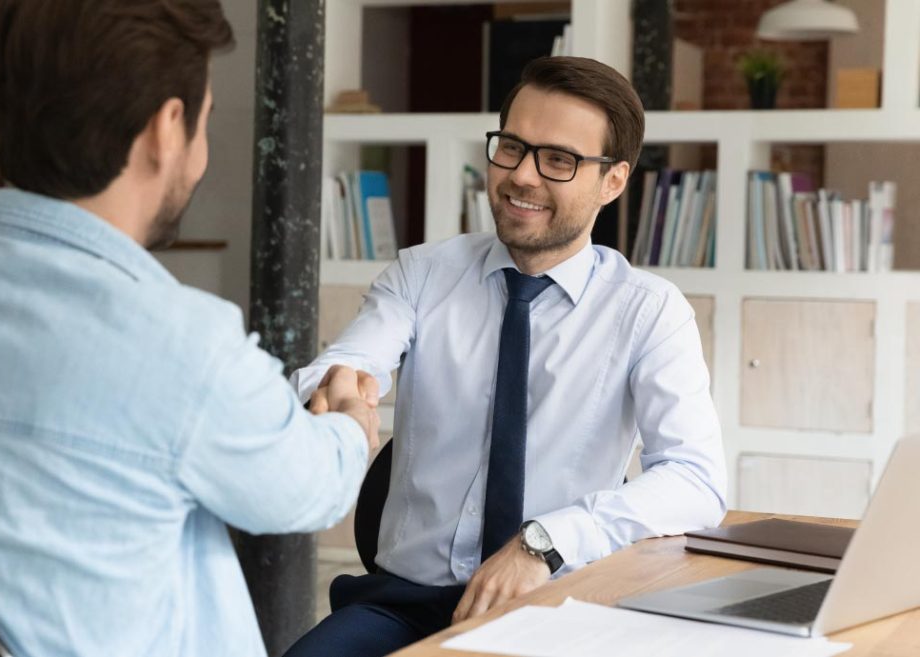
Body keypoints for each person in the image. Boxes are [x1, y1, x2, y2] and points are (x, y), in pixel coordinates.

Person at [0, 1, 378, 656]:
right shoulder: (188, 347)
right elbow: (307, 489)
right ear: (167, 128)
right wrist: (351, 421)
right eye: (204, 122)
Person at [284, 56, 728, 657]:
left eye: (558, 160)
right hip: (403, 604)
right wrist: (338, 387)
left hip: (557, 609)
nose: (522, 176)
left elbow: (696, 479)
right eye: (512, 147)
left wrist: (543, 542)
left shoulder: (648, 311)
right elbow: (352, 359)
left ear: (614, 181)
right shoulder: (422, 273)